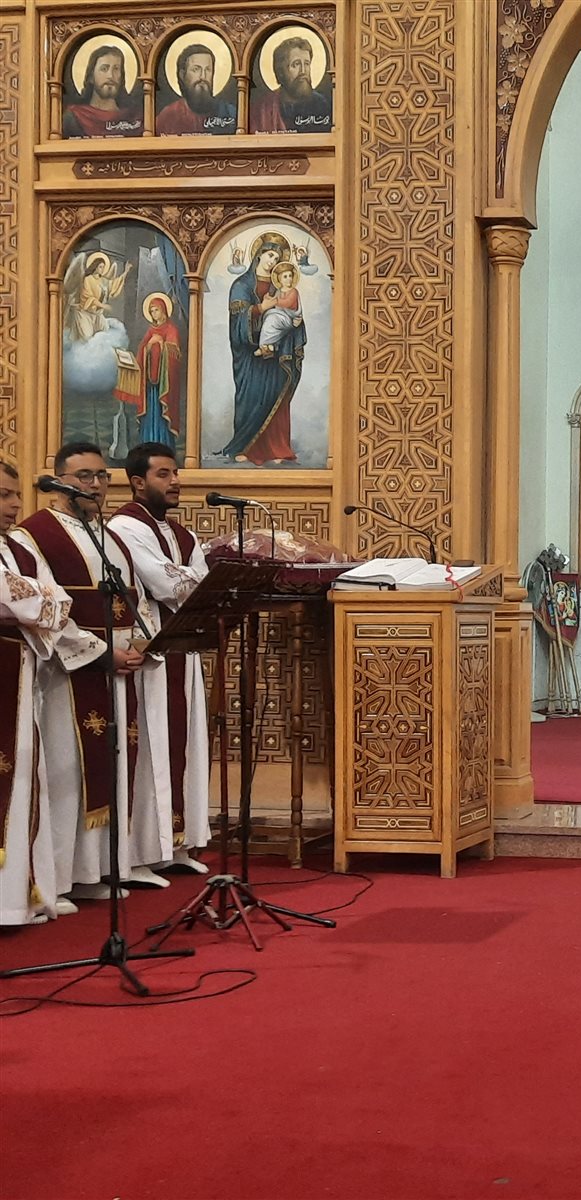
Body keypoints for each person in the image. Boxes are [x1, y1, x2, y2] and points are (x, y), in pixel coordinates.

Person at [13, 443, 160, 904]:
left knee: (112, 766)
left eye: (101, 476)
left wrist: (142, 644)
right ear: (59, 481)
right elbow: (47, 609)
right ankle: (57, 878)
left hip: (118, 668)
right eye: (83, 477)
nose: (94, 485)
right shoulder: (33, 536)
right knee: (67, 771)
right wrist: (100, 654)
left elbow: (136, 599)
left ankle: (100, 868)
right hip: (68, 673)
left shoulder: (108, 535)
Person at [107, 443, 211, 877]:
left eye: (175, 473)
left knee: (183, 743)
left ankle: (175, 843)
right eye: (164, 475)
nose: (175, 482)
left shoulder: (181, 534)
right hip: (149, 653)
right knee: (151, 748)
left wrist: (190, 580)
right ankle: (143, 851)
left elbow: (203, 584)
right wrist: (189, 580)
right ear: (138, 482)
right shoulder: (124, 527)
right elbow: (170, 586)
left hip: (182, 651)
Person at [0, 461, 72, 925]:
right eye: (3, 495)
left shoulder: (19, 547)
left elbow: (59, 599)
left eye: (15, 494)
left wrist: (30, 601)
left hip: (20, 672)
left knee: (26, 777)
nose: (14, 504)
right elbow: (12, 597)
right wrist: (32, 600)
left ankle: (20, 895)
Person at [215, 231, 303, 464]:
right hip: (250, 358)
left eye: (278, 258)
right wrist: (260, 309)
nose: (273, 261)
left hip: (276, 356)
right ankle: (244, 447)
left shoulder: (280, 286)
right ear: (259, 255)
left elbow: (292, 313)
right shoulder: (241, 285)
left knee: (276, 398)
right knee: (251, 399)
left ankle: (277, 449)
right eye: (271, 255)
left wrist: (295, 323)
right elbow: (237, 323)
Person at [111, 295, 183, 448]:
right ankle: (147, 441)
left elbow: (175, 354)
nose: (154, 314)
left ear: (164, 310)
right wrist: (149, 345)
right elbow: (142, 349)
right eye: (152, 311)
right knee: (150, 412)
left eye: (156, 310)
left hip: (164, 385)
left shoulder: (171, 329)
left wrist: (161, 344)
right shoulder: (151, 330)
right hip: (150, 382)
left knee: (161, 413)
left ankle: (163, 443)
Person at [250, 35, 332, 133]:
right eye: (296, 64)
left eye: (307, 64)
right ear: (280, 71)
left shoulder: (323, 105)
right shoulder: (263, 109)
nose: (303, 71)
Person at [155, 43, 238, 136]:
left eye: (208, 70)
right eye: (196, 69)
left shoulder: (229, 114)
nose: (203, 76)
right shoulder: (168, 116)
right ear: (182, 74)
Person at [62, 43, 143, 138]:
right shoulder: (74, 117)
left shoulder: (133, 118)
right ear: (91, 76)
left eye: (116, 69)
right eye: (104, 69)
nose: (110, 76)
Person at [256, 261, 302, 357]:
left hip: (289, 319)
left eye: (290, 276)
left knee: (271, 320)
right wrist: (267, 298)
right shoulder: (278, 291)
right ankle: (269, 346)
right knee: (270, 321)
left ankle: (263, 345)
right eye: (285, 277)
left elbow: (288, 303)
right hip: (280, 317)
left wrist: (274, 301)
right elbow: (273, 301)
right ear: (279, 279)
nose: (289, 279)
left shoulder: (293, 291)